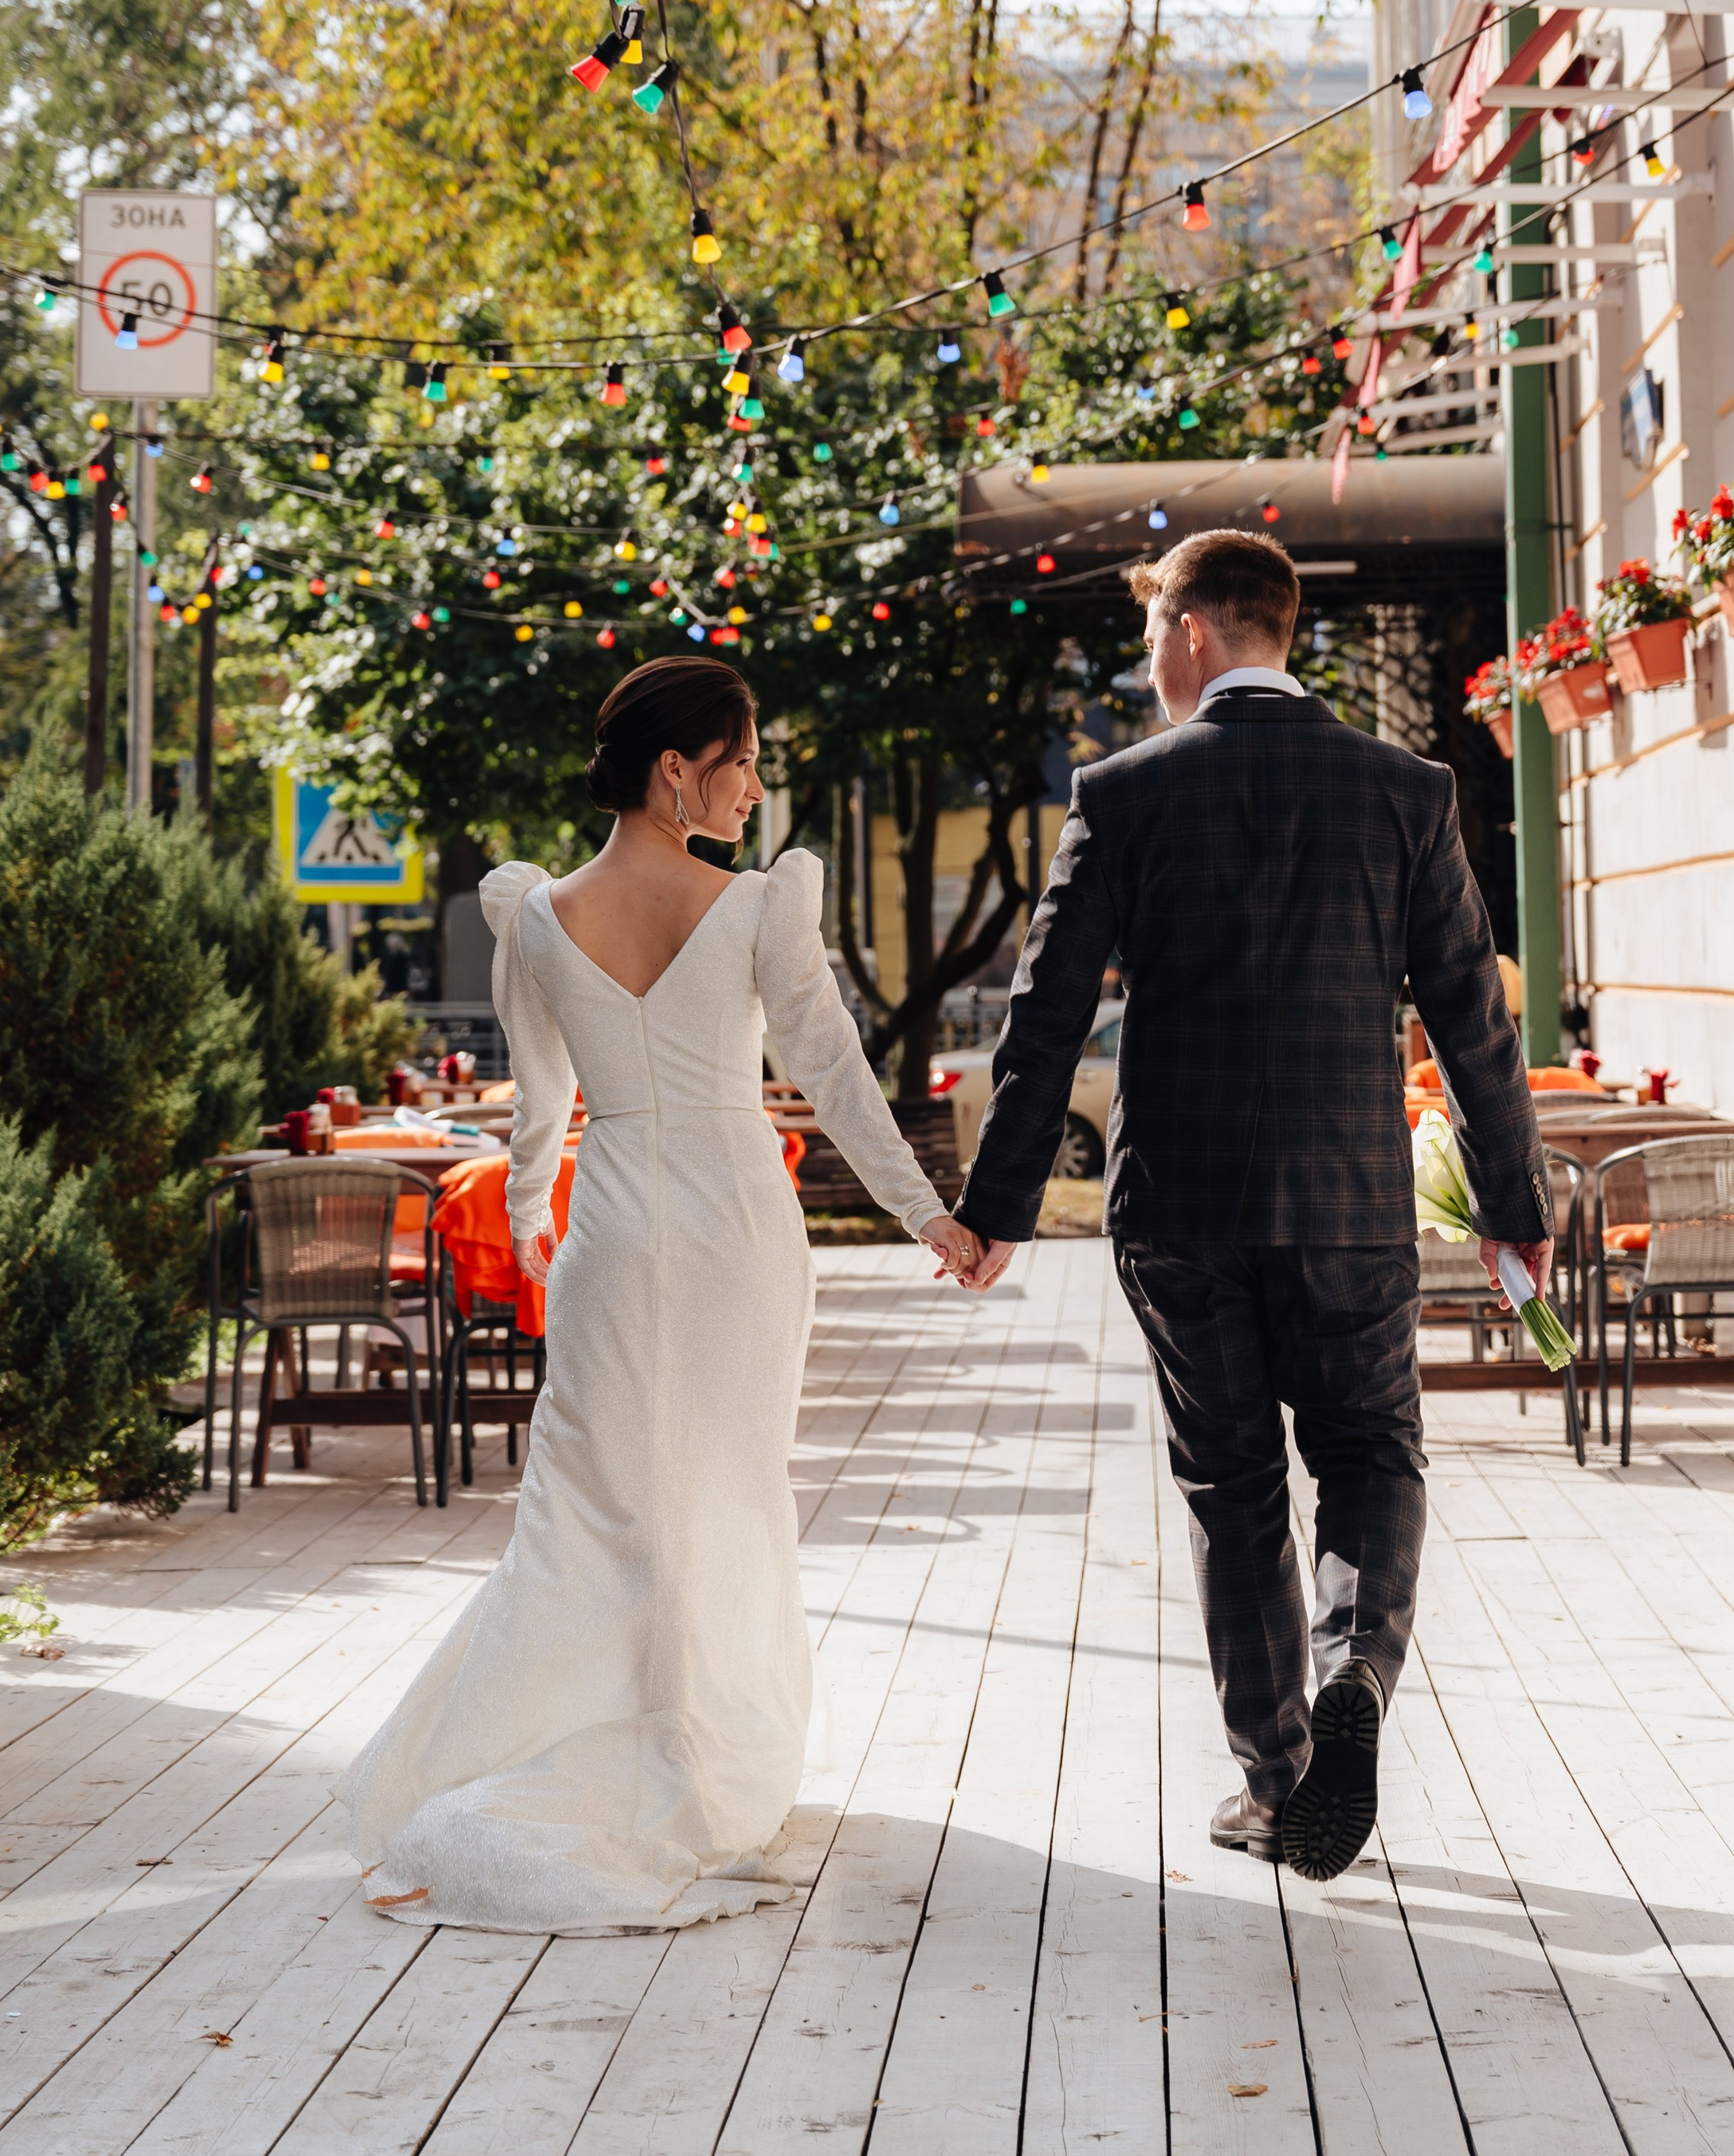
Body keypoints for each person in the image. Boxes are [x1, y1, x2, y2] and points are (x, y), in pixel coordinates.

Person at [341, 658, 978, 1934]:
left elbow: (542, 1105)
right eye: (740, 758)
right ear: (675, 769)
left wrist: (528, 1218)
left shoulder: (535, 915)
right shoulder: (755, 911)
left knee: (586, 1508)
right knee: (732, 1493)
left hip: (615, 1238)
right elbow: (839, 1079)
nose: (755, 785)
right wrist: (930, 1214)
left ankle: (548, 1749)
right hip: (739, 1231)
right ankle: (697, 1759)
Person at [951, 529, 1548, 1883]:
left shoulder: (1123, 793)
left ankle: (1281, 1780)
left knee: (1232, 1491)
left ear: (1194, 634)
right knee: (1371, 1454)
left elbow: (1044, 1028)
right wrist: (1513, 1199)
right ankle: (1359, 1672)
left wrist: (994, 1209)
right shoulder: (1405, 790)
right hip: (1349, 1202)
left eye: (1154, 627)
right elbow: (1475, 1022)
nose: (1150, 653)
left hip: (1183, 1209)